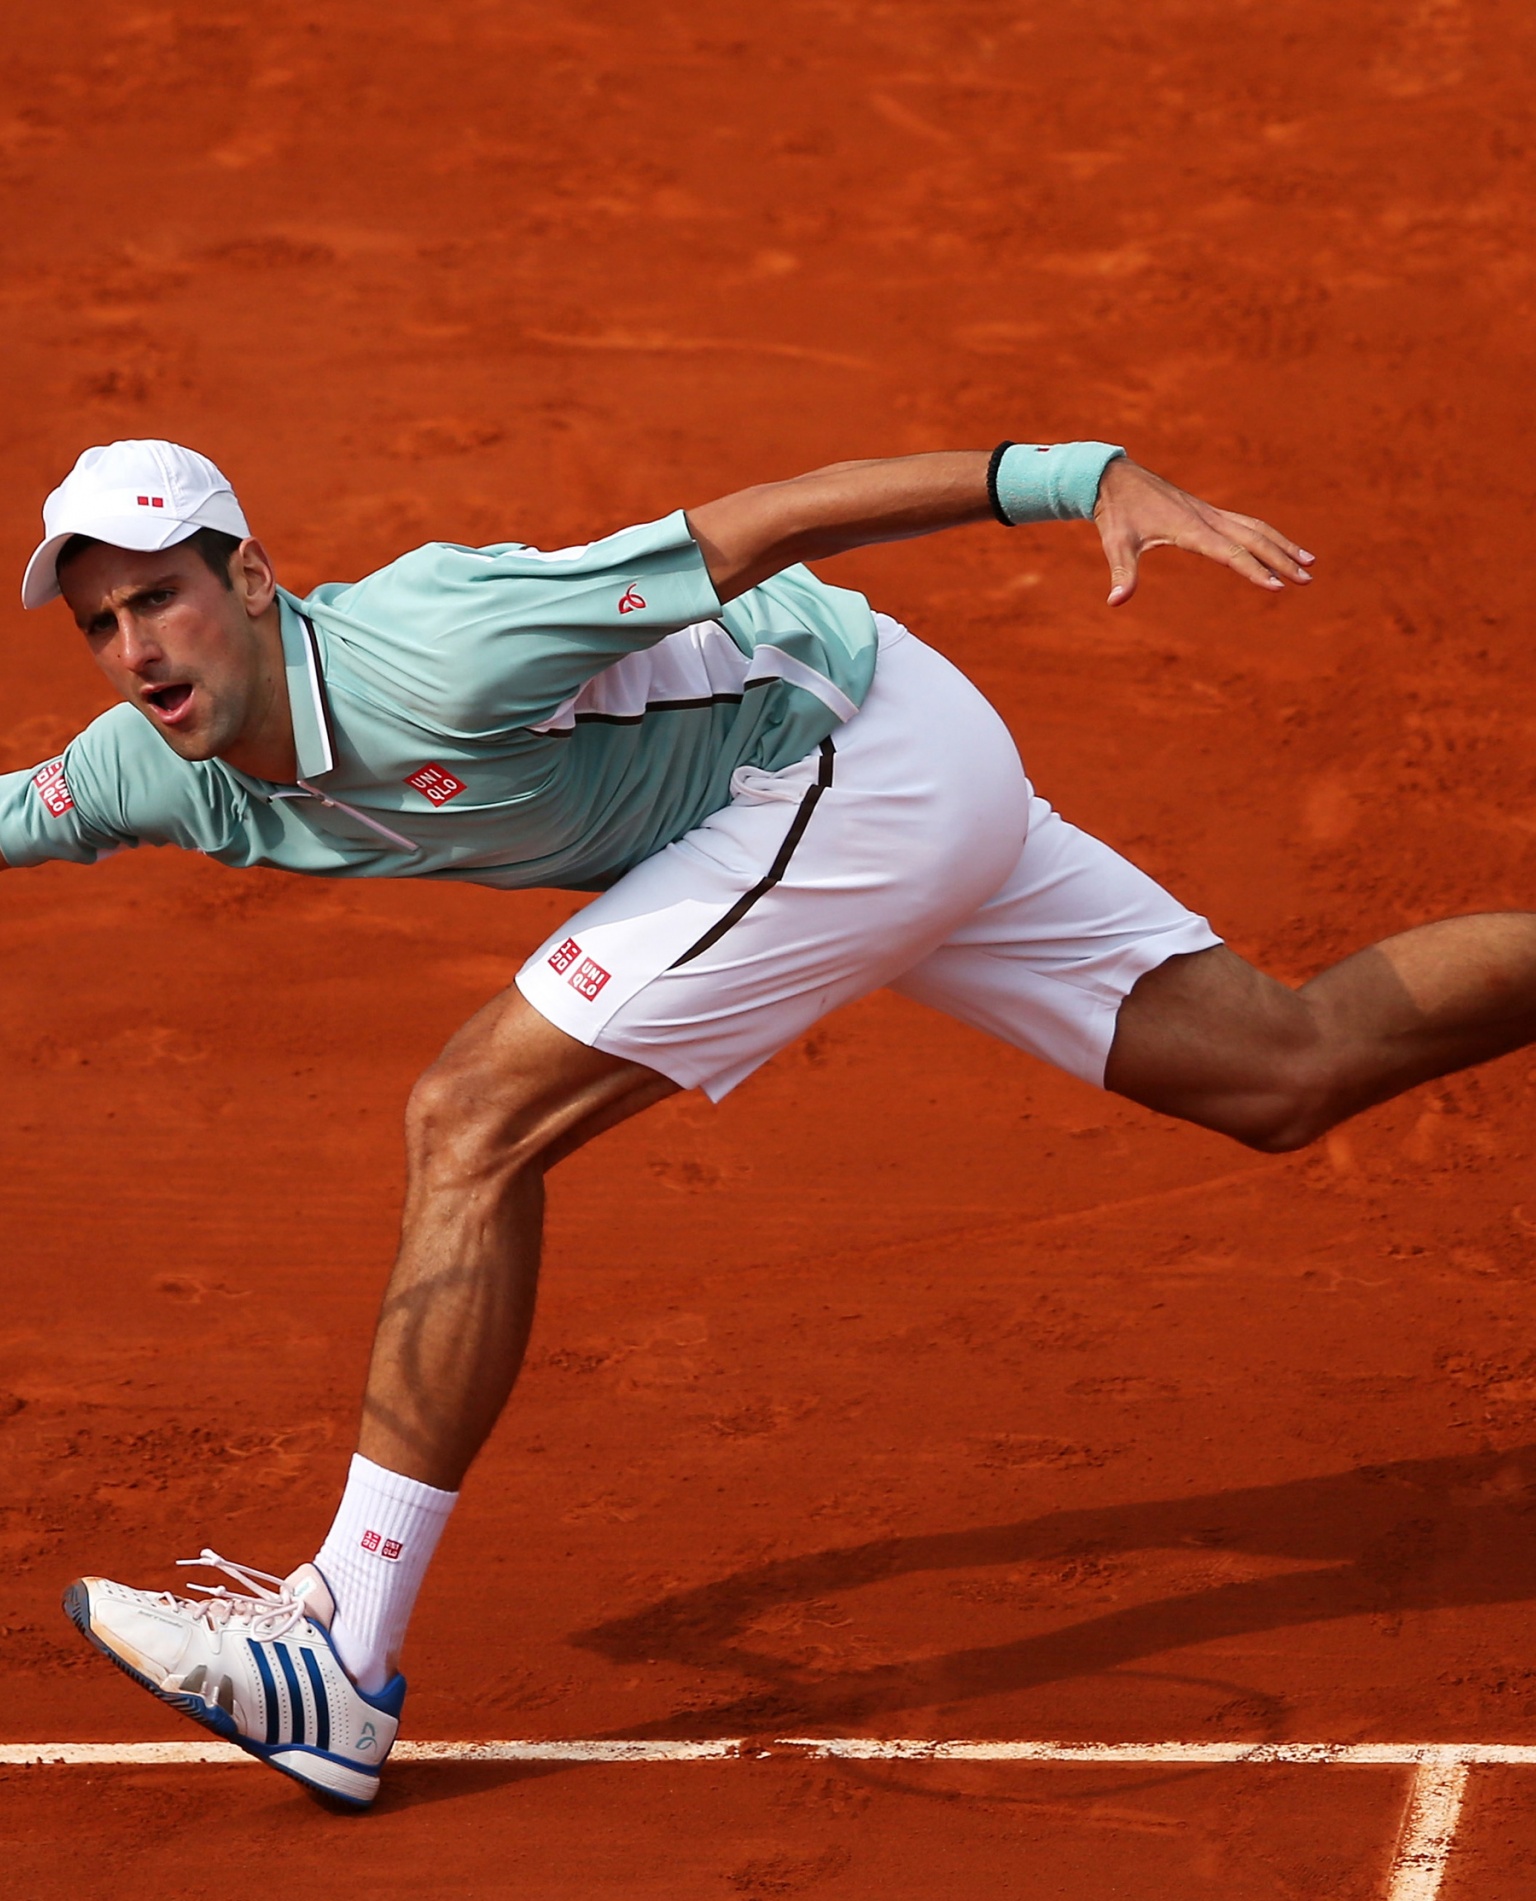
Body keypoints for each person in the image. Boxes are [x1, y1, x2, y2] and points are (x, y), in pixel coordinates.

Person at [16, 436, 1529, 1807]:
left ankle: (340, 1642)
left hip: (845, 762)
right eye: (102, 624)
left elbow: (750, 533)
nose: (138, 647)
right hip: (882, 753)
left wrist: (1075, 477)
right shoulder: (157, 771)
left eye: (162, 598)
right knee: (1284, 1068)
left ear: (254, 577)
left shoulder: (439, 647)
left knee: (472, 1118)